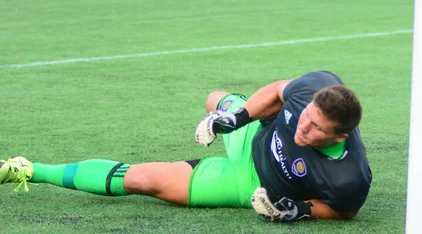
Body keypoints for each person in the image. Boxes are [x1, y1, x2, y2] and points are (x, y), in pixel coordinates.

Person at [0, 71, 372, 222]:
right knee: (215, 100)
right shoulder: (318, 87)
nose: (303, 126)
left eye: (315, 129)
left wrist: (300, 209)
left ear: (339, 137)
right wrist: (237, 119)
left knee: (141, 179)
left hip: (249, 184)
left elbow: (343, 211)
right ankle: (227, 112)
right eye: (304, 116)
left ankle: (27, 169)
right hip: (254, 136)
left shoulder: (349, 179)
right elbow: (277, 91)